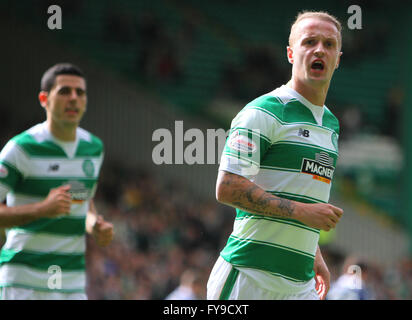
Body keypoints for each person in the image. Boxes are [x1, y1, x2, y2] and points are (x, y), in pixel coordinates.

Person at [207, 11, 344, 300]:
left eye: (329, 44)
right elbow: (227, 187)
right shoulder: (264, 111)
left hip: (300, 285)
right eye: (309, 42)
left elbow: (299, 193)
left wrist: (313, 254)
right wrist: (305, 214)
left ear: (338, 58)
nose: (319, 49)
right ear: (291, 53)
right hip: (248, 278)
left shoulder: (331, 125)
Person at [0, 63, 114, 300]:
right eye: (64, 91)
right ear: (44, 99)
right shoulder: (21, 148)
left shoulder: (93, 149)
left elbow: (82, 198)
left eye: (79, 93)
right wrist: (42, 209)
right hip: (23, 280)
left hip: (70, 282)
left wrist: (94, 225)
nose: (73, 98)